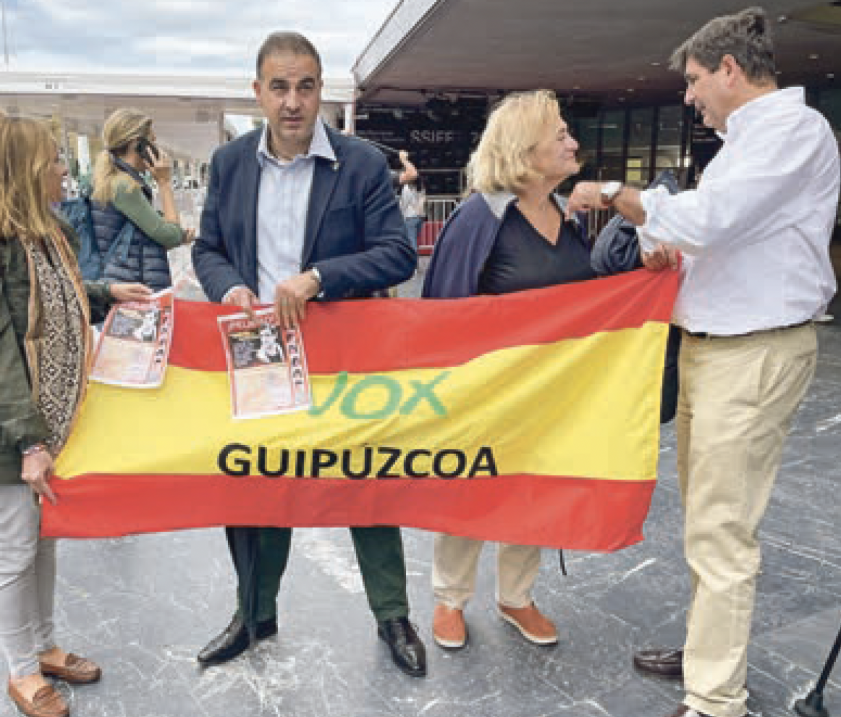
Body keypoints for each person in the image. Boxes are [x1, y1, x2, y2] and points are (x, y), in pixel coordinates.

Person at [565, 8, 839, 717]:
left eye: (693, 80)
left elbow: (712, 219)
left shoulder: (791, 132)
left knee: (721, 529)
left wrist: (616, 196)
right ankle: (706, 650)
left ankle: (716, 699)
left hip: (751, 356)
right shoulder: (747, 140)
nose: (688, 95)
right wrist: (672, 253)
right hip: (715, 353)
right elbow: (722, 236)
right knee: (705, 521)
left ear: (729, 69)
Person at [192, 31, 422, 676]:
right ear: (258, 92)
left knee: (365, 482)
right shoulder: (231, 163)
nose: (293, 102)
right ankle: (253, 612)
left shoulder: (362, 163)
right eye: (279, 86)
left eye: (306, 86)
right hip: (259, 352)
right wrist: (229, 287)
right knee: (257, 484)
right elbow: (208, 249)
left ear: (320, 89)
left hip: (343, 352)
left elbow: (398, 252)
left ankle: (392, 613)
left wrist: (320, 276)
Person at [0, 116, 152, 717]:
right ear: (23, 172)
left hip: (53, 424)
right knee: (12, 550)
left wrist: (107, 293)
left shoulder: (46, 233)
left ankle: (40, 645)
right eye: (54, 160)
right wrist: (30, 443)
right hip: (10, 432)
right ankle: (19, 670)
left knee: (43, 543)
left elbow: (57, 297)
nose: (65, 169)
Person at [422, 90, 590, 651]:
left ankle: (516, 596)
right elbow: (443, 309)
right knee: (470, 489)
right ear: (525, 149)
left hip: (550, 393)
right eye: (560, 134)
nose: (573, 143)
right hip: (487, 395)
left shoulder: (566, 216)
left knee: (534, 492)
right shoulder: (479, 216)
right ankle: (450, 598)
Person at [89, 108, 192, 292]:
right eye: (152, 141)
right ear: (138, 145)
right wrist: (164, 182)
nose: (157, 148)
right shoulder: (124, 186)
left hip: (123, 282)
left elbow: (142, 237)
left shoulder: (114, 181)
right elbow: (170, 235)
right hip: (131, 287)